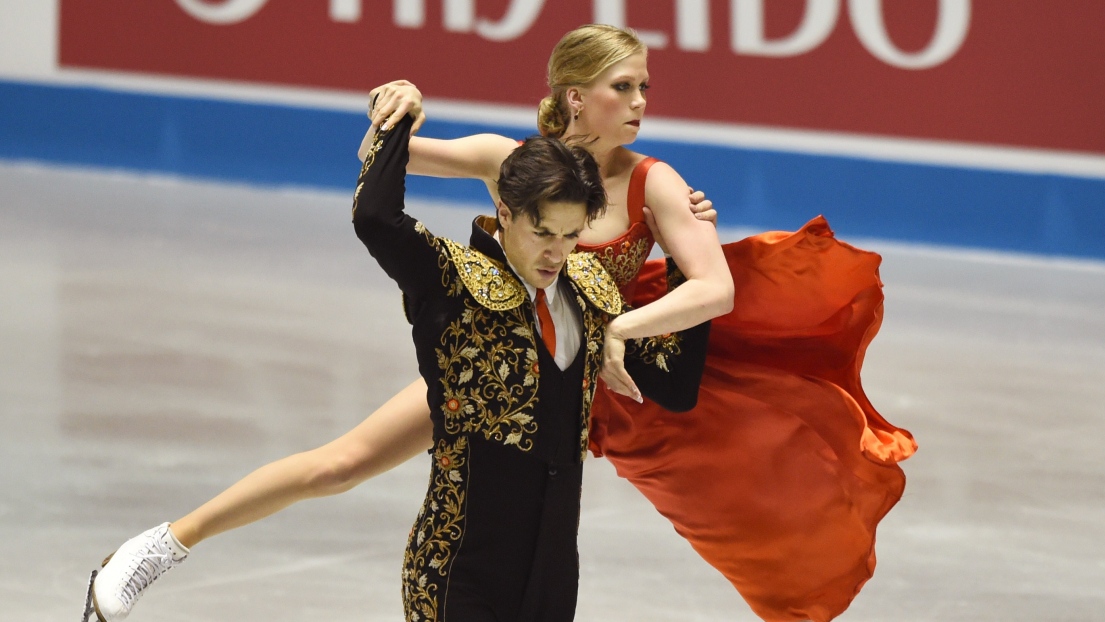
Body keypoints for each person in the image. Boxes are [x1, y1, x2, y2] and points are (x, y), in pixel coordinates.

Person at [90, 23, 915, 622]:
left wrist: (623, 331)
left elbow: (715, 290)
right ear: (572, 95)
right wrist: (398, 104)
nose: (638, 103)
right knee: (339, 464)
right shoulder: (506, 157)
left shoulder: (657, 181)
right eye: (621, 87)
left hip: (597, 372)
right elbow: (387, 160)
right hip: (497, 364)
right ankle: (158, 547)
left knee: (746, 493)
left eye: (644, 89)